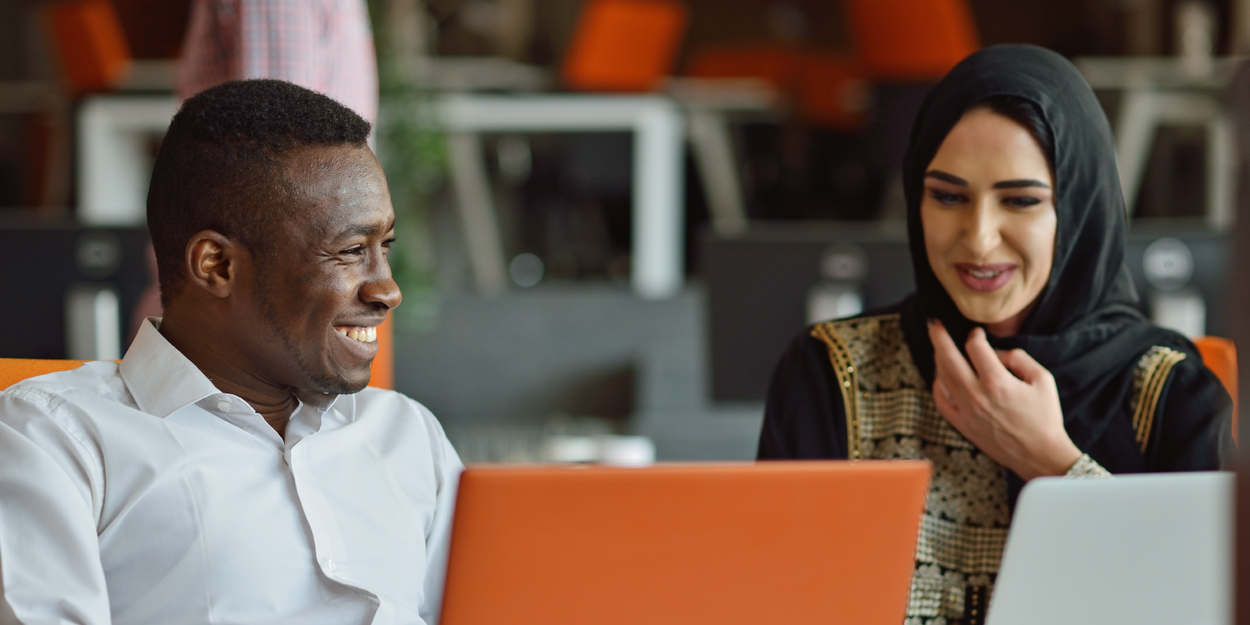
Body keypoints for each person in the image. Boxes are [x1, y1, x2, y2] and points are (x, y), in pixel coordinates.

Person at [757, 45, 1230, 624]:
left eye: (1021, 200)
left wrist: (1055, 466)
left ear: (1078, 208)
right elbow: (781, 599)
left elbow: (1207, 605)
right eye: (948, 196)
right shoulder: (833, 371)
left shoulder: (1165, 391)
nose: (978, 239)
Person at [0, 80, 461, 624]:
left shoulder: (408, 434)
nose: (386, 289)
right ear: (216, 265)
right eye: (351, 251)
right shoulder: (56, 438)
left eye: (383, 248)